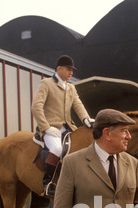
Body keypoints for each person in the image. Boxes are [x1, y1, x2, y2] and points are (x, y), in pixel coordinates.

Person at [32, 55, 93, 197]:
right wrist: (46, 127)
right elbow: (36, 107)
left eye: (72, 70)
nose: (72, 73)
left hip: (67, 128)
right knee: (57, 148)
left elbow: (78, 104)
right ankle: (48, 184)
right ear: (59, 69)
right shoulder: (46, 83)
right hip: (50, 128)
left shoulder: (71, 87)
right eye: (69, 70)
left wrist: (85, 118)